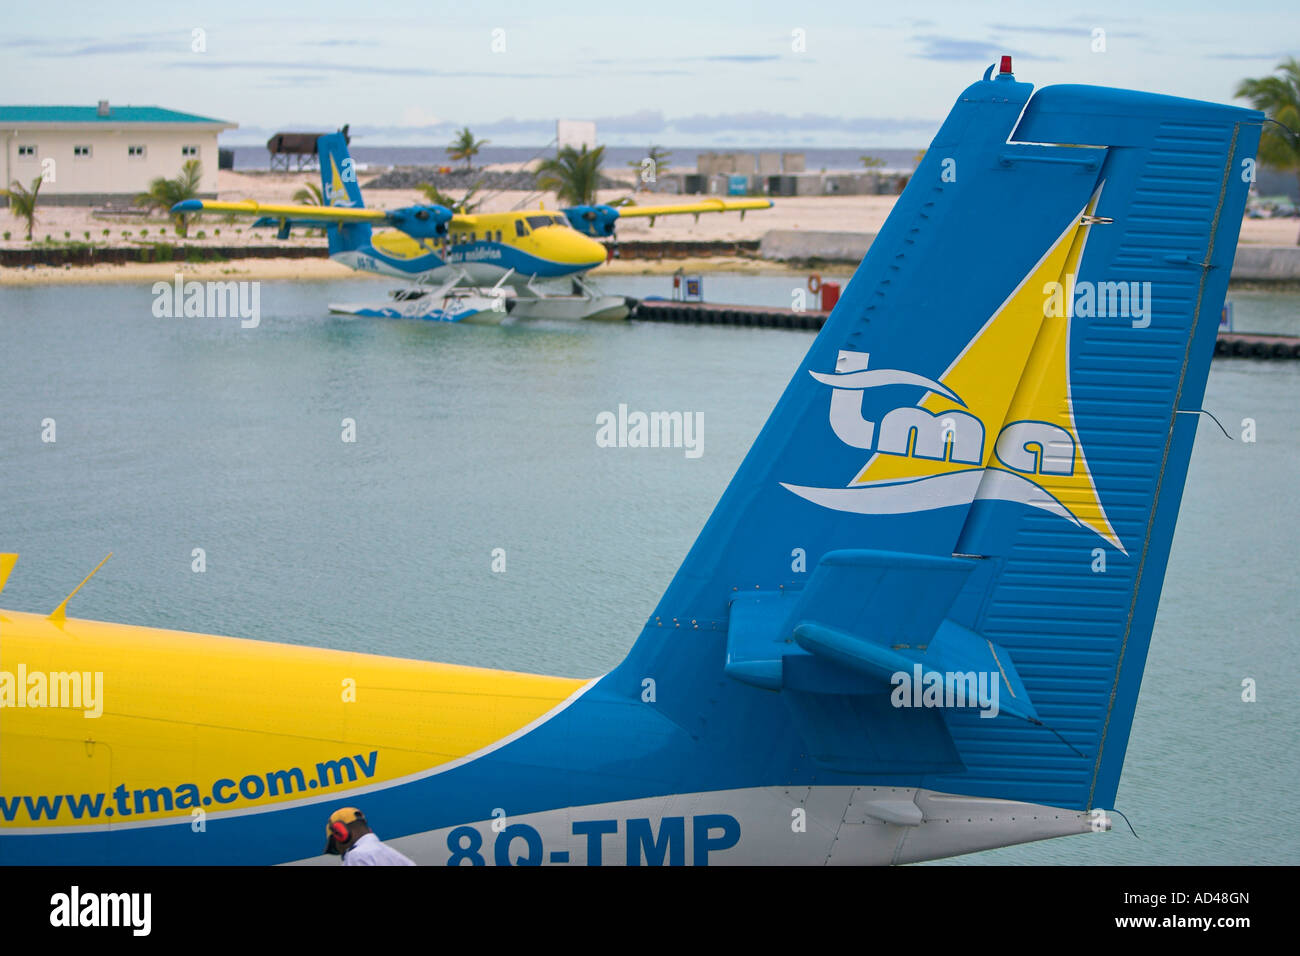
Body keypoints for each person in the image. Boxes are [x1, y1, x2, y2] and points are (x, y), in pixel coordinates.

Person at [323, 807, 416, 866]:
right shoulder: (392, 854)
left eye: (335, 846)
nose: (339, 851)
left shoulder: (356, 856)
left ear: (340, 833)